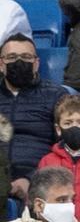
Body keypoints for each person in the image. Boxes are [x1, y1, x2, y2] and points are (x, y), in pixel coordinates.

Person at [1, 34, 69, 204]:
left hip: (39, 181)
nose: (19, 61)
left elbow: (66, 149)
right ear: (1, 64)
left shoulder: (56, 95)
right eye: (12, 57)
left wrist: (32, 179)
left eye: (26, 57)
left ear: (36, 63)